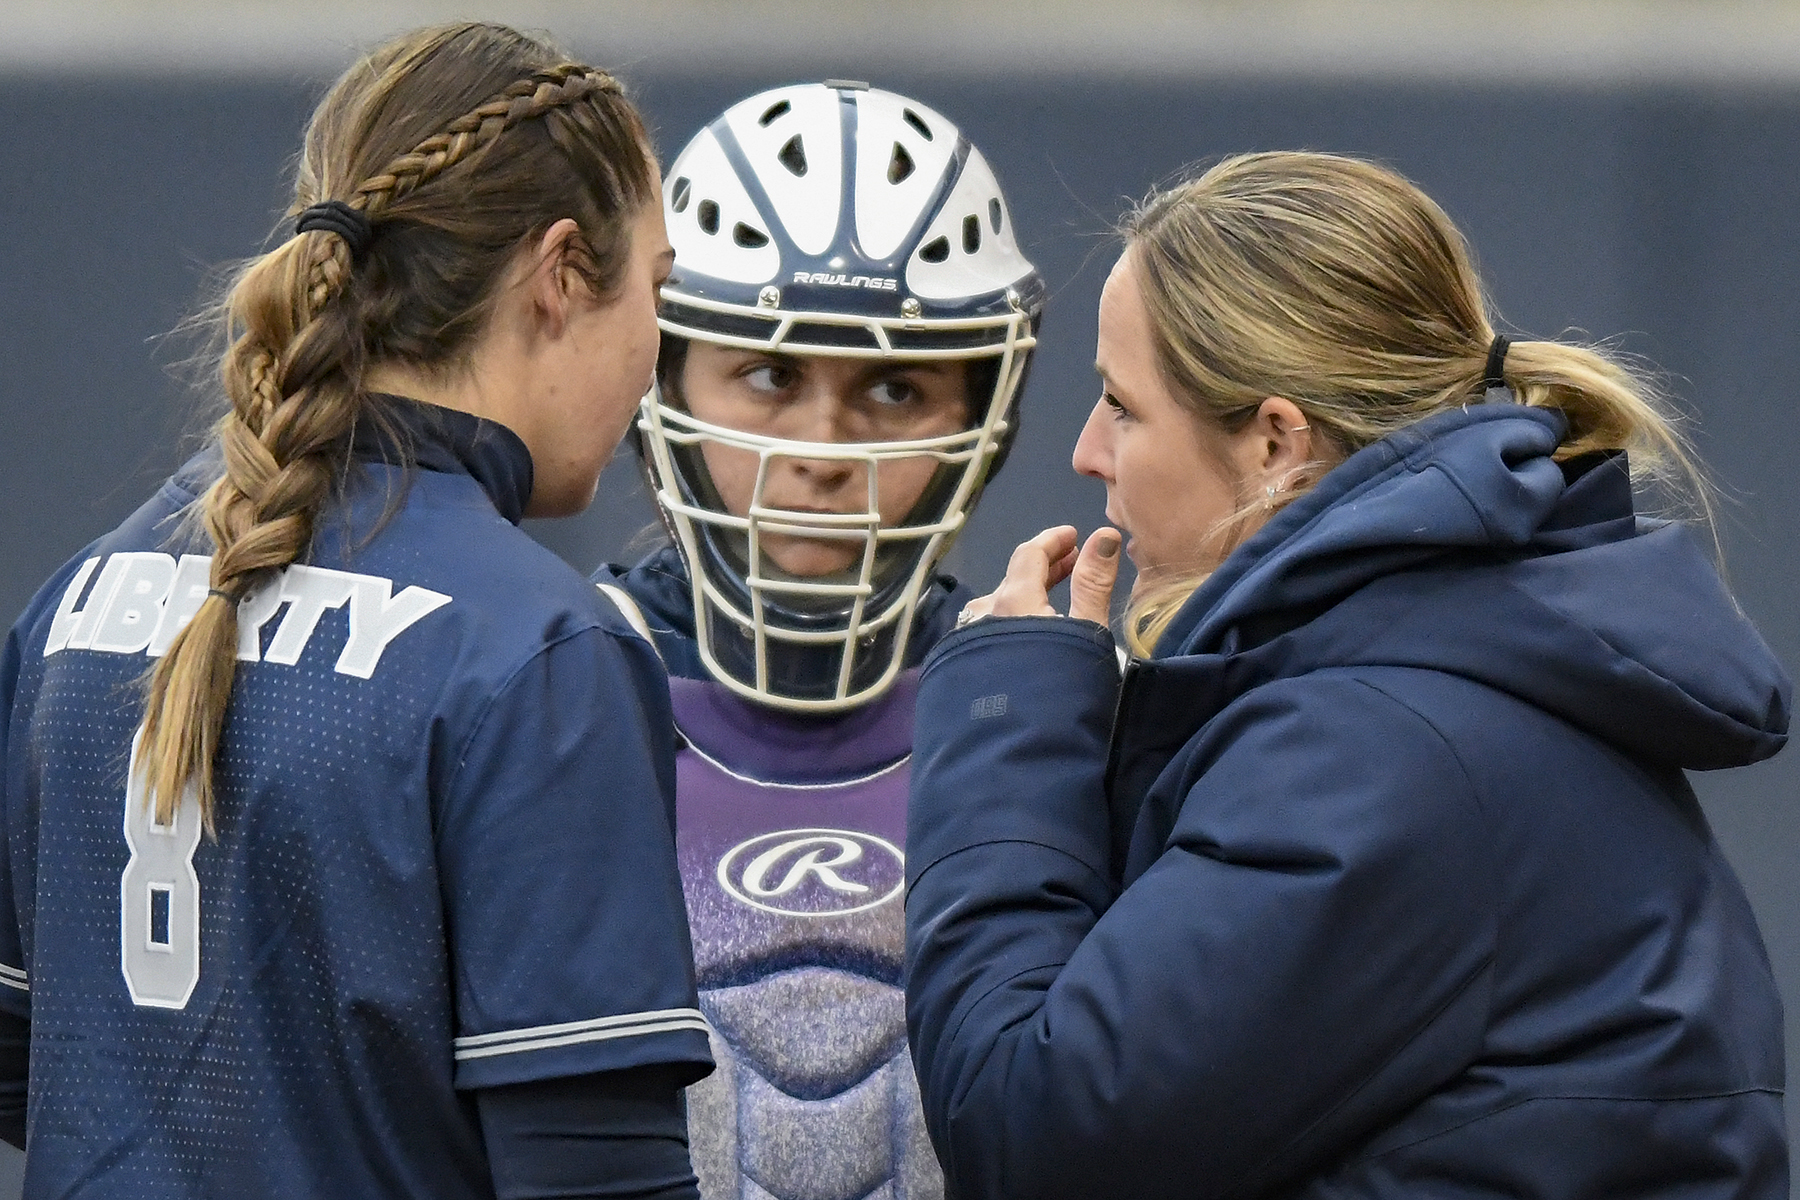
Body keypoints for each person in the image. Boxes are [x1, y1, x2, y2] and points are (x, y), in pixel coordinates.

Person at [904, 151, 1790, 1199]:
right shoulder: (1422, 683)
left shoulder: (1375, 750)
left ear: (1277, 443)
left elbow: (1031, 1137)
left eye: (1122, 406)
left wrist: (1007, 717)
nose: (1089, 451)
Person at [0, 23, 714, 1200]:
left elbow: (34, 1075)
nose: (656, 342)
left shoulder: (70, 606)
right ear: (558, 274)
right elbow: (595, 1179)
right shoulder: (537, 653)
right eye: (658, 285)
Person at [594, 82, 1042, 1200]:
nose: (823, 451)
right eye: (768, 374)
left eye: (894, 386)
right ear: (659, 376)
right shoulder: (551, 692)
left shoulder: (1045, 718)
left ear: (981, 414)